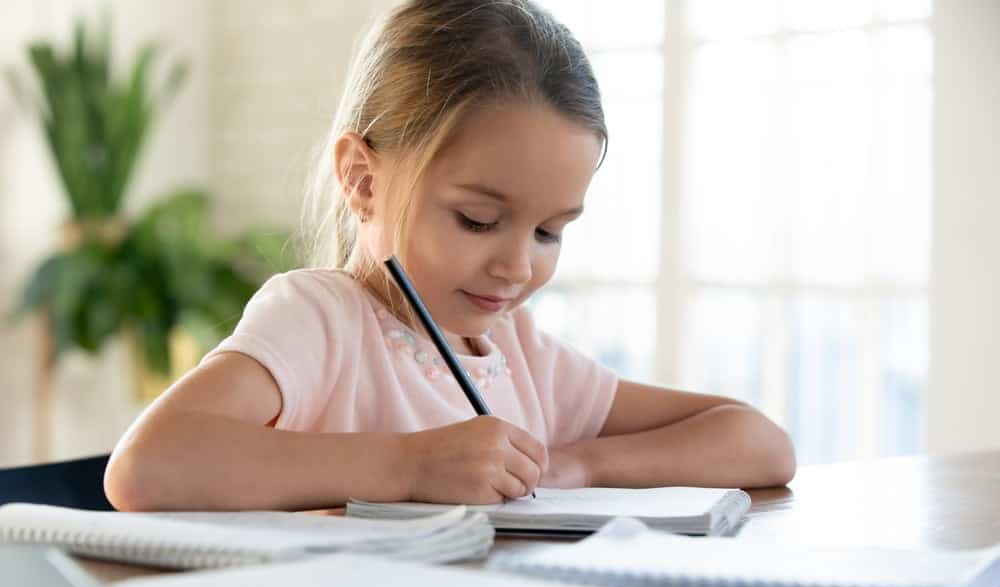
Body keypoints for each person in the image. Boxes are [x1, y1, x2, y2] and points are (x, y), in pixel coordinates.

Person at [104, 0, 795, 512]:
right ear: (363, 180)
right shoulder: (320, 321)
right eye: (479, 219)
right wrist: (408, 466)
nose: (518, 266)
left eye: (549, 231)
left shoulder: (516, 351)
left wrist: (576, 464)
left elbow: (761, 443)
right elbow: (145, 465)